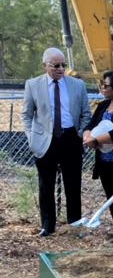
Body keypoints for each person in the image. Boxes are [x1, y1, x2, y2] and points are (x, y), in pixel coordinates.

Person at [21, 47, 91, 236]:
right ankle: (47, 226)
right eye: (56, 65)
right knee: (46, 185)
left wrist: (79, 134)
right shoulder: (33, 84)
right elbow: (26, 115)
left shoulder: (78, 85)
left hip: (71, 138)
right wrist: (32, 137)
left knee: (73, 184)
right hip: (45, 140)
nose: (60, 69)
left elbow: (86, 114)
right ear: (45, 66)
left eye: (63, 65)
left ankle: (74, 225)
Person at [82, 70, 113, 241]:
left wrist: (95, 139)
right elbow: (90, 124)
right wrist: (87, 136)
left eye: (106, 85)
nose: (102, 87)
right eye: (102, 84)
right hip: (104, 161)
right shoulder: (103, 106)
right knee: (112, 198)